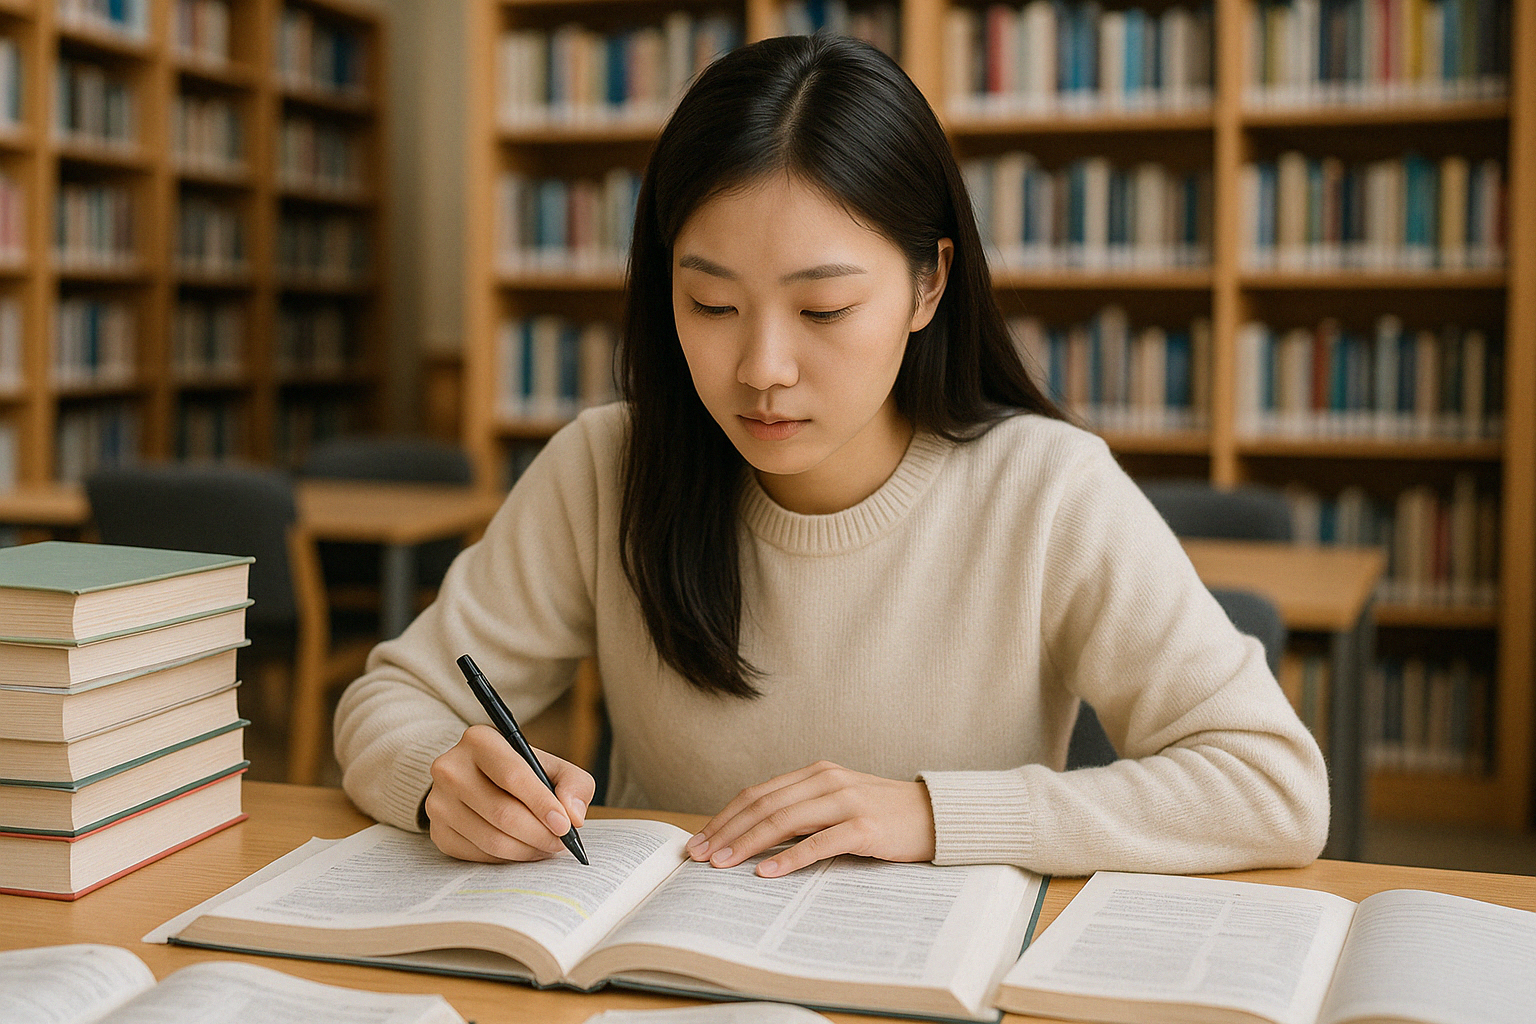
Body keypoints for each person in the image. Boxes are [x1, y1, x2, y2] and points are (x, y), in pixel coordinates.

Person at [335, 33, 1329, 879]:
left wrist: (933, 814)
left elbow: (1270, 783)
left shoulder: (1046, 489)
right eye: (711, 305)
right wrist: (440, 782)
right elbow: (392, 698)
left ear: (928, 286)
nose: (762, 367)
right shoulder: (607, 465)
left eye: (823, 309)